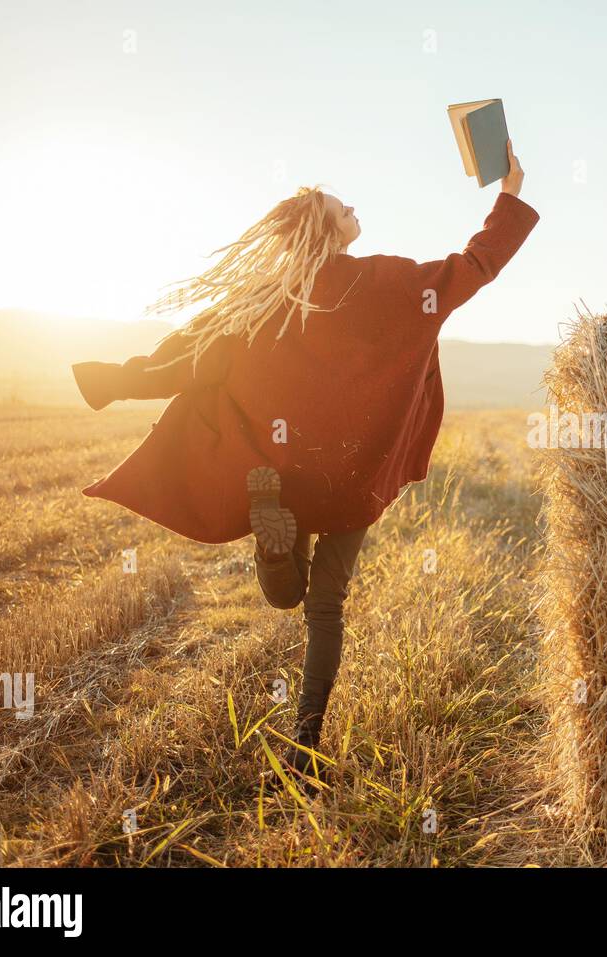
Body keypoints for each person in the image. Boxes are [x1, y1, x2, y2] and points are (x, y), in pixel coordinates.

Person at [72, 141, 538, 781]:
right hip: (354, 472)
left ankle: (273, 551)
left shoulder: (268, 298)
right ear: (330, 229)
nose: (352, 207)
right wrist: (508, 191)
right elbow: (474, 266)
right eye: (340, 206)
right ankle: (306, 741)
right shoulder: (386, 281)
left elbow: (192, 359)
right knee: (327, 606)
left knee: (286, 598)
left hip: (284, 467)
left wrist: (115, 380)